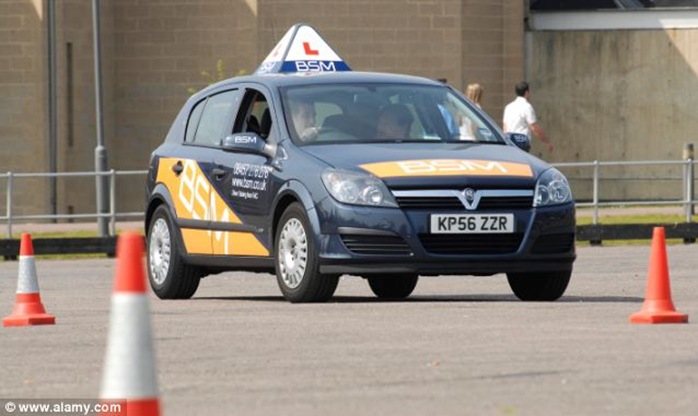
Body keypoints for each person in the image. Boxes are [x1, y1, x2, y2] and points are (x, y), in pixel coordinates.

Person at [502, 81, 554, 152]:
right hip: (521, 144)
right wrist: (546, 142)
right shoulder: (527, 107)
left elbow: (505, 128)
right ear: (526, 93)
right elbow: (534, 128)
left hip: (510, 143)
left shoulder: (508, 107)